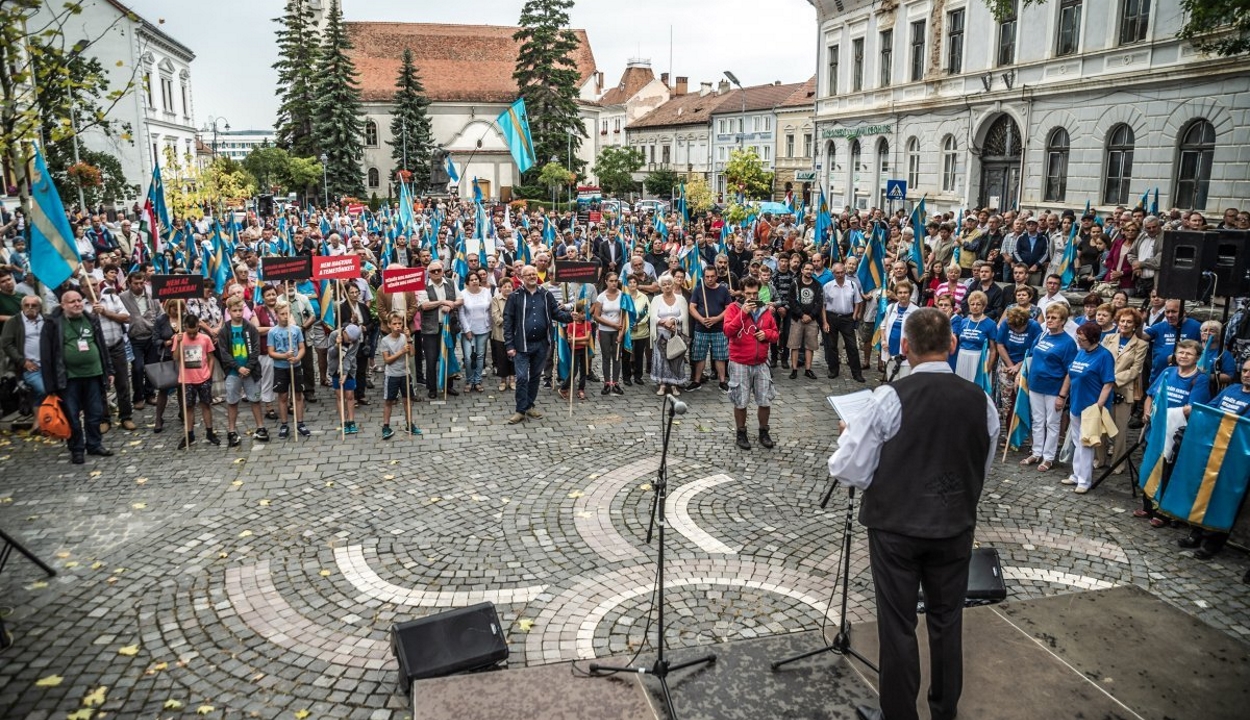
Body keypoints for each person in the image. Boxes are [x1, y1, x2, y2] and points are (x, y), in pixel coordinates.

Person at [828, 307, 998, 720]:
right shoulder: (982, 400)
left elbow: (848, 469)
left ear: (904, 347)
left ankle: (900, 714)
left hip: (896, 528)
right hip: (954, 525)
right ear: (952, 345)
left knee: (898, 624)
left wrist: (849, 437)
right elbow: (982, 461)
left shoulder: (889, 398)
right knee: (946, 622)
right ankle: (944, 711)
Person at [40, 289, 114, 464]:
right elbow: (46, 356)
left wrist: (109, 370)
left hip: (94, 375)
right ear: (63, 305)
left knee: (95, 412)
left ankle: (94, 444)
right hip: (68, 378)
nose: (77, 304)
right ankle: (77, 448)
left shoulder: (91, 319)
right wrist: (50, 385)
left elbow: (102, 346)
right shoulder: (53, 324)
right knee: (72, 415)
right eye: (72, 301)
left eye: (79, 300)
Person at [502, 265, 574, 424]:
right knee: (521, 377)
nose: (532, 276)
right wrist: (509, 345)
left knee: (535, 376)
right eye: (528, 275)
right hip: (521, 345)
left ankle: (529, 405)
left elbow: (556, 313)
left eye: (534, 274)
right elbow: (508, 322)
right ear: (522, 277)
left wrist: (571, 317)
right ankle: (520, 410)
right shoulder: (515, 296)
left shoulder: (546, 294)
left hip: (541, 344)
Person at [1059, 323, 1116, 493]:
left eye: (1082, 339)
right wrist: (1063, 395)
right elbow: (1071, 374)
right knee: (1077, 441)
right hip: (1077, 403)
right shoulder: (1081, 352)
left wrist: (1099, 406)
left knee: (1086, 443)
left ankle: (1084, 480)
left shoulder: (1104, 356)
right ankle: (1076, 474)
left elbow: (1108, 383)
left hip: (1091, 406)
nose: (1079, 341)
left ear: (1092, 339)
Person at [724, 276, 779, 450]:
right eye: (748, 294)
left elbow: (776, 333)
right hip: (740, 361)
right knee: (741, 400)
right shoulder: (733, 308)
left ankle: (764, 431)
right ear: (742, 292)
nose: (752, 297)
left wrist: (767, 335)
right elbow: (728, 331)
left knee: (764, 400)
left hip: (761, 362)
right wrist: (743, 313)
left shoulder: (765, 310)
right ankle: (741, 432)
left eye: (755, 293)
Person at [1022, 304, 1077, 472]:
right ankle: (1037, 452)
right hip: (1036, 385)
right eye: (1049, 317)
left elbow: (1069, 371)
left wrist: (1062, 395)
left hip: (1054, 388)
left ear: (1062, 321)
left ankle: (1049, 457)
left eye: (1054, 318)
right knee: (1037, 421)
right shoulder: (1042, 335)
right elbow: (1031, 356)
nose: (1050, 320)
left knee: (1052, 423)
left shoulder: (1068, 343)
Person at [1099, 308, 1148, 471]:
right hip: (1102, 388)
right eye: (1122, 321)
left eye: (1129, 322)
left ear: (1135, 325)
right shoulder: (1108, 338)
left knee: (1119, 429)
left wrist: (1111, 380)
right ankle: (1100, 459)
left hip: (1122, 390)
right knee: (1101, 425)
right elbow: (1100, 358)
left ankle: (1118, 463)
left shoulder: (1141, 344)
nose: (1125, 324)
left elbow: (1135, 370)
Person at [217, 296, 267, 446]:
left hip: (251, 370)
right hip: (233, 371)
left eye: (240, 310)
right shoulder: (225, 330)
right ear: (229, 311)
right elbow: (224, 352)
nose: (238, 313)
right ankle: (231, 430)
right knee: (232, 401)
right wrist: (238, 367)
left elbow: (256, 349)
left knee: (255, 399)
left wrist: (249, 367)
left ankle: (260, 427)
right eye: (235, 310)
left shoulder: (250, 328)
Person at [172, 311, 220, 449]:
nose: (192, 335)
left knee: (206, 405)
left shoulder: (205, 339)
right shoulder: (178, 338)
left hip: (203, 377)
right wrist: (179, 342)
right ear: (185, 327)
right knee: (189, 407)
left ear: (198, 327)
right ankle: (189, 434)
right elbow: (175, 357)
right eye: (189, 333)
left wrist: (209, 375)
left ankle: (210, 432)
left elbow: (211, 358)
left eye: (194, 332)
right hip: (187, 379)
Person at [269, 301, 311, 438]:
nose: (285, 317)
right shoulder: (272, 332)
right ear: (276, 315)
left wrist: (297, 358)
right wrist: (283, 356)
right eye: (282, 314)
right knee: (282, 396)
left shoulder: (296, 330)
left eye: (287, 313)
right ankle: (284, 424)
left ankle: (300, 423)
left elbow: (302, 348)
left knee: (298, 395)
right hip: (280, 368)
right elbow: (271, 352)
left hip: (296, 366)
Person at [689, 265, 732, 391]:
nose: (710, 279)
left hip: (718, 328)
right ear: (703, 277)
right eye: (707, 276)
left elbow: (729, 308)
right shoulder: (698, 289)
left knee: (720, 356)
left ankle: (722, 381)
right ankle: (697, 380)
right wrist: (701, 319)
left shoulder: (723, 290)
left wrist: (717, 318)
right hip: (701, 328)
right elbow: (692, 307)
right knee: (699, 355)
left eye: (712, 276)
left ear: (717, 276)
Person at [1, 295, 46, 413]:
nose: (30, 307)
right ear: (22, 306)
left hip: (48, 366)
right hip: (29, 367)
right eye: (27, 305)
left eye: (34, 305)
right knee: (44, 390)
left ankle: (41, 423)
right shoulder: (14, 321)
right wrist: (23, 361)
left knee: (40, 393)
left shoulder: (46, 320)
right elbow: (7, 344)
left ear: (40, 307)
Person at [379, 312, 420, 438]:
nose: (397, 326)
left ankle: (409, 424)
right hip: (392, 375)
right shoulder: (385, 340)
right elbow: (387, 360)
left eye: (399, 323)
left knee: (407, 400)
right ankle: (386, 426)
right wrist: (401, 352)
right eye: (394, 324)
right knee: (389, 401)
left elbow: (412, 353)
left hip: (405, 373)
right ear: (389, 325)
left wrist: (409, 339)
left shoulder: (404, 337)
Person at [821, 262, 864, 382]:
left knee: (852, 346)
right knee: (832, 346)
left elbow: (858, 301)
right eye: (837, 273)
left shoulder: (852, 285)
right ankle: (833, 370)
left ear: (845, 271)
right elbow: (823, 306)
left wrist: (854, 316)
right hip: (832, 317)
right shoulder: (827, 287)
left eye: (842, 272)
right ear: (833, 273)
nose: (840, 275)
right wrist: (825, 322)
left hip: (847, 318)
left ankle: (857, 373)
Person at [649, 276, 690, 396]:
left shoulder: (681, 299)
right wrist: (663, 322)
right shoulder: (656, 299)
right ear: (661, 286)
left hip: (676, 334)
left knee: (675, 358)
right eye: (664, 284)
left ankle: (674, 384)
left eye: (669, 284)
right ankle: (662, 384)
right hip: (661, 334)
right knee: (661, 360)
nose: (667, 286)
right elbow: (652, 316)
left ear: (673, 285)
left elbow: (684, 316)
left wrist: (674, 321)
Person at [878, 280, 920, 380]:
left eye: (905, 292)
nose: (903, 295)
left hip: (907, 355)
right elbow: (883, 326)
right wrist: (883, 340)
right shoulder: (890, 308)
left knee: (904, 383)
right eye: (900, 293)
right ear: (896, 294)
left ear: (910, 294)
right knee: (892, 381)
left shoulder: (916, 311)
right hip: (890, 351)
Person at [592, 272, 626, 395]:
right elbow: (596, 316)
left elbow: (624, 316)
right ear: (606, 281)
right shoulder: (601, 297)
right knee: (606, 356)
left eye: (616, 281)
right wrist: (612, 325)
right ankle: (607, 382)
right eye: (611, 281)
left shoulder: (622, 296)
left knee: (617, 357)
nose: (614, 283)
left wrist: (621, 332)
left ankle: (616, 382)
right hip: (604, 330)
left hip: (617, 331)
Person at [458, 272, 492, 393]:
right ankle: (469, 380)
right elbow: (461, 314)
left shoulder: (486, 292)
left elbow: (490, 310)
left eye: (476, 279)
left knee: (480, 356)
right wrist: (467, 330)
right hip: (468, 330)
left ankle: (477, 381)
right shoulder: (462, 294)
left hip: (484, 329)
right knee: (468, 357)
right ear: (467, 282)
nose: (474, 281)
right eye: (471, 280)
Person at [328, 323, 361, 434]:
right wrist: (337, 345)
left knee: (350, 395)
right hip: (335, 368)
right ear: (345, 333)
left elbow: (350, 356)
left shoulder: (356, 340)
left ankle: (351, 421)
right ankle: (343, 421)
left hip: (349, 369)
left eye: (353, 340)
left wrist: (345, 373)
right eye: (349, 339)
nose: (351, 342)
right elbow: (331, 354)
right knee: (340, 396)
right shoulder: (334, 335)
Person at [489, 280, 515, 392]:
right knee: (502, 358)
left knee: (514, 357)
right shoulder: (495, 299)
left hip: (514, 334)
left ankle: (513, 379)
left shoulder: (516, 299)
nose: (507, 288)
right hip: (500, 334)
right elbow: (496, 317)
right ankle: (503, 381)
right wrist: (510, 321)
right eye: (505, 286)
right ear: (500, 288)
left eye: (510, 286)